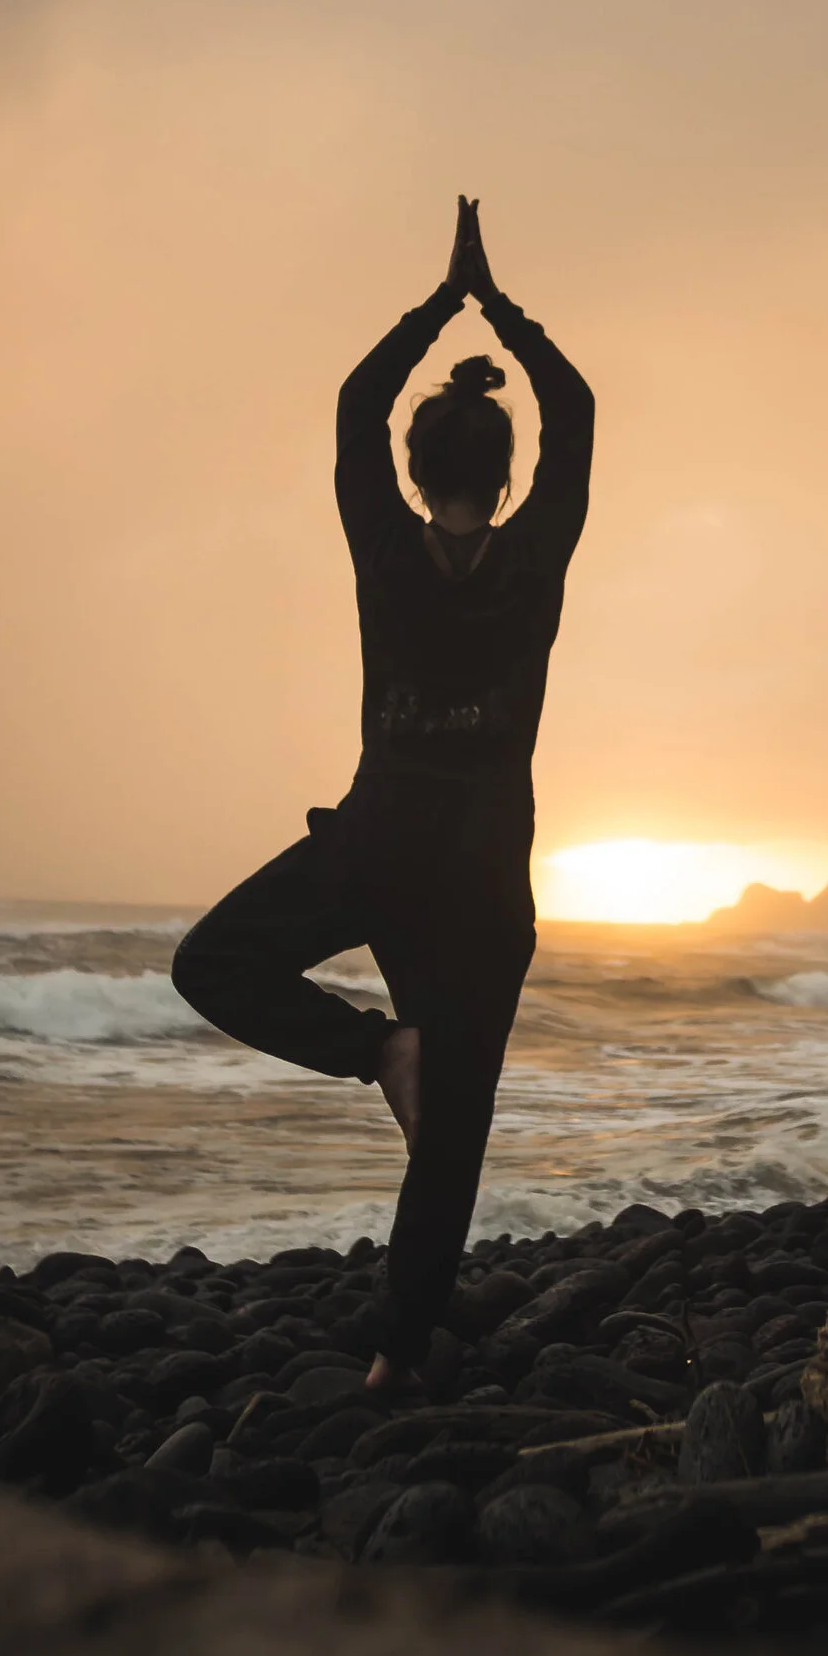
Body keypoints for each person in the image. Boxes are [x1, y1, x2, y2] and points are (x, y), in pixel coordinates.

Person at [171, 198, 593, 1391]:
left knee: (212, 962)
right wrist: (501, 308)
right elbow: (578, 408)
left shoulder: (384, 547)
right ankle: (395, 1358)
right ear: (508, 478)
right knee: (453, 1133)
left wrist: (440, 302)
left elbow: (357, 405)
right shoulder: (536, 554)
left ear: (412, 473)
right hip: (482, 874)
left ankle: (377, 1053)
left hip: (381, 843)